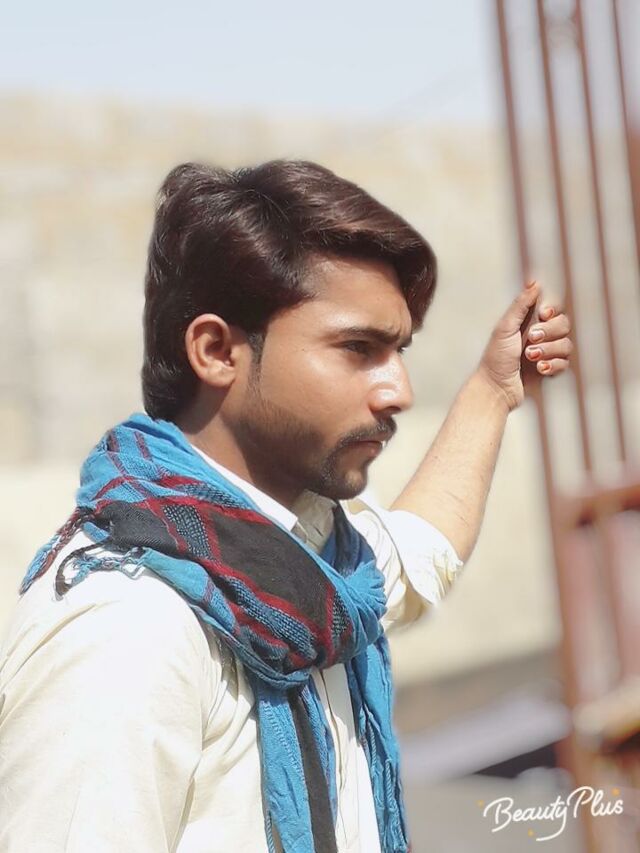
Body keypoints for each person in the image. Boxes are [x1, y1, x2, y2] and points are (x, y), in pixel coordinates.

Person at [0, 160, 572, 853]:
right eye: (358, 348)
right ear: (217, 351)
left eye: (398, 350)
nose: (399, 390)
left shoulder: (308, 571)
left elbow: (417, 553)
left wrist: (494, 390)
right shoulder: (129, 627)